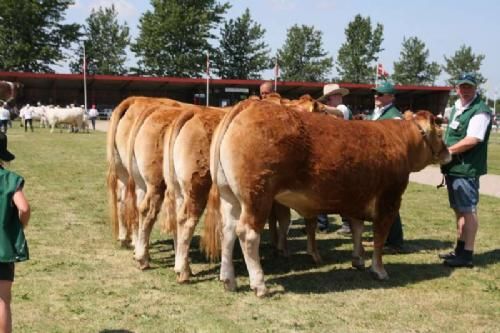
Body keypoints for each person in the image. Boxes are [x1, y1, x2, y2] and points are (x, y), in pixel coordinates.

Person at [439, 73, 492, 268]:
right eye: (462, 87)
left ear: (475, 88)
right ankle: (459, 249)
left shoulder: (480, 110)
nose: (465, 90)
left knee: (468, 211)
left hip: (466, 168)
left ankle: (467, 254)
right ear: (457, 88)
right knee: (459, 211)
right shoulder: (456, 108)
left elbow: (473, 139)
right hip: (454, 168)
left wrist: (447, 151)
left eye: (469, 87)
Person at [0, 132, 30, 333]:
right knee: (2, 299)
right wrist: (20, 225)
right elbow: (24, 208)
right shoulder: (9, 179)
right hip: (3, 248)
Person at [369, 81, 405, 252]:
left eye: (381, 94)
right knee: (379, 202)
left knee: (389, 202)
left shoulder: (395, 117)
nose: (376, 96)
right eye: (376, 93)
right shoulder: (376, 113)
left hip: (388, 166)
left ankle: (395, 241)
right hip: (374, 164)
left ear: (391, 97)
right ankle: (382, 238)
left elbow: (397, 145)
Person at [316, 83, 353, 233]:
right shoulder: (325, 112)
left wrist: (316, 107)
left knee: (342, 191)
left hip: (343, 154)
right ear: (330, 97)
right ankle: (322, 224)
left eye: (339, 94)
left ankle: (347, 223)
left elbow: (338, 113)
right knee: (321, 189)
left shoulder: (342, 109)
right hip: (328, 153)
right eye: (336, 94)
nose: (339, 97)